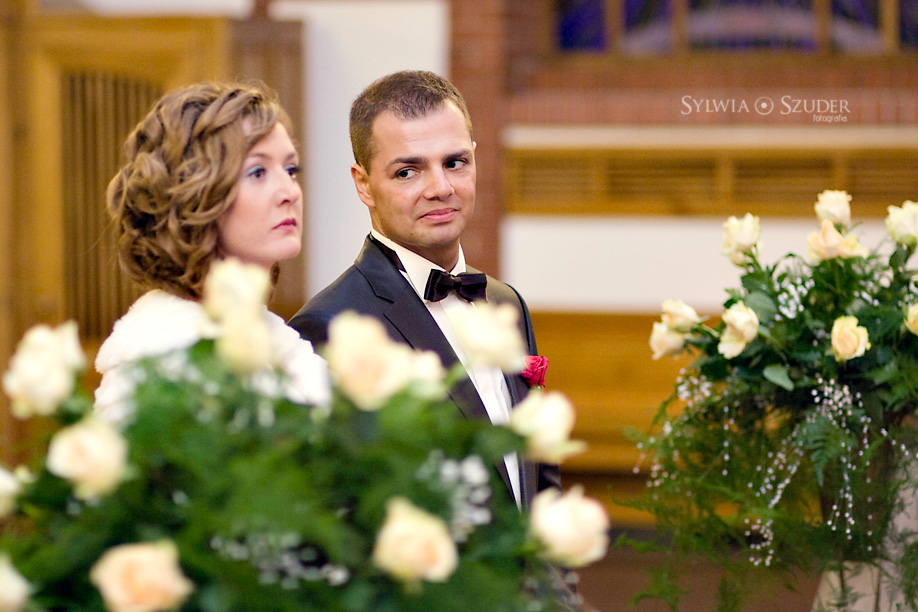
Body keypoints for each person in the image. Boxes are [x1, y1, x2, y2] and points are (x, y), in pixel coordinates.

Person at [95, 81, 329, 422]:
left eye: (291, 170)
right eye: (258, 172)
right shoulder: (166, 358)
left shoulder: (270, 335)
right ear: (196, 195)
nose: (289, 192)